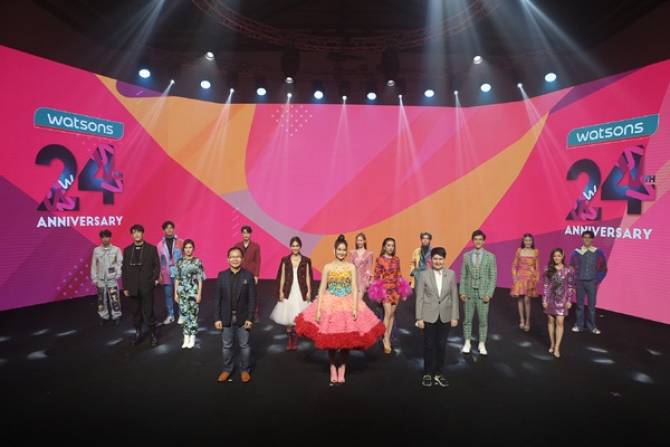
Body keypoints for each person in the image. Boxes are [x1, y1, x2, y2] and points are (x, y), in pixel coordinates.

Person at [295, 235, 385, 385]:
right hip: (330, 304)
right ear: (334, 250)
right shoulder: (328, 267)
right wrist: (318, 310)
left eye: (344, 250)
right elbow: (322, 288)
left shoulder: (351, 267)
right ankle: (332, 366)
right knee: (330, 339)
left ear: (346, 251)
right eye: (339, 249)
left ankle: (342, 367)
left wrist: (355, 307)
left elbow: (355, 288)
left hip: (347, 303)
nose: (341, 252)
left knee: (346, 339)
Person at [415, 247, 459, 388]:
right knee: (429, 345)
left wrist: (455, 316)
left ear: (444, 260)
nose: (438, 261)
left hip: (445, 316)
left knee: (441, 346)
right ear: (431, 260)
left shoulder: (451, 274)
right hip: (428, 315)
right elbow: (419, 297)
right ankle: (427, 374)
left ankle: (439, 374)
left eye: (440, 259)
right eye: (435, 259)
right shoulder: (424, 275)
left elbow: (454, 296)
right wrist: (419, 318)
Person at [215, 247, 257, 383]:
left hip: (243, 318)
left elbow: (253, 299)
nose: (235, 259)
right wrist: (217, 318)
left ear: (242, 259)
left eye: (238, 256)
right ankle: (227, 369)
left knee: (244, 346)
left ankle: (245, 370)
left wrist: (250, 318)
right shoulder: (222, 276)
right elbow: (217, 299)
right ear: (228, 259)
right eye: (232, 257)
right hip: (225, 317)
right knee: (227, 346)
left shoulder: (248, 276)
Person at [368, 237, 412, 354]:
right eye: (388, 245)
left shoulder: (396, 259)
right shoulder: (380, 259)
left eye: (392, 245)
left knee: (392, 314)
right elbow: (377, 276)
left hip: (395, 289)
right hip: (385, 289)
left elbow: (399, 274)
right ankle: (385, 338)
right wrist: (377, 293)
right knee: (387, 313)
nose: (391, 247)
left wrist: (403, 290)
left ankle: (387, 336)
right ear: (384, 247)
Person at [270, 237, 313, 351]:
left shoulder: (306, 260)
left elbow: (308, 276)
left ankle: (295, 341)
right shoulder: (285, 260)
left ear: (300, 246)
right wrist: (280, 291)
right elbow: (282, 276)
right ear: (290, 247)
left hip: (301, 290)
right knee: (287, 318)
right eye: (293, 245)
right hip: (288, 290)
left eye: (297, 245)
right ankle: (290, 341)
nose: (295, 248)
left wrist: (309, 291)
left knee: (298, 317)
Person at [459, 229, 497, 356]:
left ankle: (482, 343)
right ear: (472, 241)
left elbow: (493, 276)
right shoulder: (466, 256)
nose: (478, 241)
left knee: (483, 320)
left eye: (480, 239)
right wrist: (462, 292)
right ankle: (467, 342)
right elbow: (463, 275)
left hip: (483, 294)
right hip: (469, 292)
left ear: (484, 241)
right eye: (476, 239)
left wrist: (489, 294)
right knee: (467, 319)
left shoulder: (490, 256)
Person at [122, 224, 160, 347]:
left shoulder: (151, 249)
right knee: (135, 313)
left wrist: (154, 280)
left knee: (149, 312)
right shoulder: (127, 250)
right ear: (132, 235)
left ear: (143, 233)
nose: (137, 234)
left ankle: (153, 334)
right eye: (134, 232)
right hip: (132, 287)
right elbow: (124, 269)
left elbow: (157, 266)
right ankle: (138, 333)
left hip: (146, 286)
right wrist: (125, 287)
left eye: (139, 232)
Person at [569, 230, 608, 334]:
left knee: (591, 306)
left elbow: (603, 268)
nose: (586, 239)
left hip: (591, 283)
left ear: (592, 239)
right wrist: (573, 283)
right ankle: (579, 325)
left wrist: (597, 280)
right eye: (585, 237)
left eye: (589, 237)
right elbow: (571, 268)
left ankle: (592, 327)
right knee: (580, 306)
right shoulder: (576, 252)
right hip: (579, 283)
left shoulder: (598, 252)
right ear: (582, 238)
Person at [543, 248, 575, 358]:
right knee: (550, 321)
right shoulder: (548, 269)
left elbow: (570, 286)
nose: (556, 258)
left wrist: (569, 300)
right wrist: (544, 300)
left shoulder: (568, 270)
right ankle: (552, 343)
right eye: (554, 256)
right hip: (550, 299)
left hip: (562, 300)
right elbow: (546, 286)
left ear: (563, 256)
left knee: (560, 322)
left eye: (559, 256)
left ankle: (557, 347)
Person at [174, 239, 204, 349]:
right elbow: (177, 278)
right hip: (182, 292)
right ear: (183, 249)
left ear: (193, 248)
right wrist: (175, 293)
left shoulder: (197, 261)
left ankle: (193, 337)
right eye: (186, 247)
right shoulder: (179, 262)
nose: (188, 249)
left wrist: (199, 294)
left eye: (190, 247)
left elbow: (200, 279)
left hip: (193, 292)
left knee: (193, 315)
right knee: (184, 315)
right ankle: (186, 337)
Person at [91, 229, 123, 326]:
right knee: (101, 299)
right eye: (103, 237)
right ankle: (103, 316)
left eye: (107, 237)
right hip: (101, 279)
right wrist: (94, 278)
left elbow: (120, 263)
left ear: (110, 238)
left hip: (112, 279)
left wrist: (118, 274)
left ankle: (116, 315)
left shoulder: (116, 250)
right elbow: (94, 265)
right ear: (101, 238)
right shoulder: (96, 250)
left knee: (114, 298)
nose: (105, 239)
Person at [511, 233, 540, 332]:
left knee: (527, 300)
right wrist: (514, 277)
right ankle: (522, 320)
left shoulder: (535, 251)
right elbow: (514, 265)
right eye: (526, 240)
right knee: (520, 299)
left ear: (532, 241)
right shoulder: (519, 251)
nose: (528, 242)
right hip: (520, 277)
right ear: (523, 241)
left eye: (529, 240)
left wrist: (536, 278)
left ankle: (528, 322)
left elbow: (537, 267)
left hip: (530, 278)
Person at [157, 220, 183, 325]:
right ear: (163, 230)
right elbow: (159, 261)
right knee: (168, 295)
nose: (169, 229)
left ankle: (181, 315)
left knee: (180, 294)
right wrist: (159, 274)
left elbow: (185, 257)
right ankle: (171, 315)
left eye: (171, 227)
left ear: (173, 229)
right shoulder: (159, 245)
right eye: (167, 228)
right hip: (166, 274)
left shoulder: (180, 242)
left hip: (178, 273)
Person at [234, 225, 262, 321]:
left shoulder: (256, 246)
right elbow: (235, 259)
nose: (246, 235)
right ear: (241, 234)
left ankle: (255, 313)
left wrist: (256, 275)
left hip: (251, 273)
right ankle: (241, 313)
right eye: (244, 233)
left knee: (253, 294)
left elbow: (258, 261)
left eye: (248, 233)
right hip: (240, 272)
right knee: (240, 293)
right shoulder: (237, 246)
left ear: (250, 234)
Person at [349, 233, 374, 301]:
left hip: (362, 282)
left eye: (361, 240)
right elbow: (350, 267)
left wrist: (365, 282)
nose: (359, 242)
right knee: (352, 302)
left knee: (358, 302)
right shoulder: (352, 253)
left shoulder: (369, 254)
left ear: (364, 241)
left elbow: (369, 269)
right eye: (358, 240)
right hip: (353, 280)